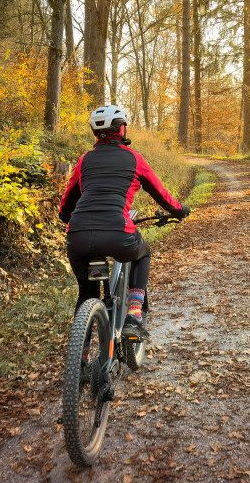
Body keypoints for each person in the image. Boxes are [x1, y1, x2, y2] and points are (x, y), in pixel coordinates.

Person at [59, 105, 190, 340]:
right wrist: (179, 210)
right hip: (118, 233)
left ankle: (82, 356)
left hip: (77, 236)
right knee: (143, 253)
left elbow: (65, 205)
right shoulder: (134, 159)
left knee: (87, 293)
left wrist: (71, 220)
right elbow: (161, 195)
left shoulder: (84, 160)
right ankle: (134, 316)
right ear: (121, 129)